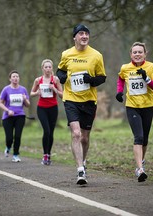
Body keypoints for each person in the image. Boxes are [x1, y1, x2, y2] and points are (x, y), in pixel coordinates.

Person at [56, 24, 106, 185]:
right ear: (75, 37)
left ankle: (83, 161)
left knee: (84, 138)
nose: (84, 36)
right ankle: (79, 169)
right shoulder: (67, 54)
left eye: (86, 34)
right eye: (81, 33)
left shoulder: (96, 55)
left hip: (89, 101)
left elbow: (102, 77)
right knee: (76, 134)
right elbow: (60, 70)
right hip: (71, 99)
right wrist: (62, 77)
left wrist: (90, 80)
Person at [115, 42, 153, 182]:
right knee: (138, 137)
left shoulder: (151, 67)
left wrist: (146, 78)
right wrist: (119, 92)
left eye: (140, 52)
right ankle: (139, 169)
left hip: (148, 106)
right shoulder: (125, 68)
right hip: (132, 106)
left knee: (145, 139)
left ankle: (142, 161)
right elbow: (121, 78)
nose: (137, 54)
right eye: (134, 52)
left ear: (145, 54)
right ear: (131, 54)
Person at [30, 59, 63, 165]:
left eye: (49, 67)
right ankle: (45, 155)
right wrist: (37, 92)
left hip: (53, 108)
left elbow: (62, 95)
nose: (48, 69)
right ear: (42, 68)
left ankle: (49, 154)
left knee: (51, 132)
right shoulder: (38, 80)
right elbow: (31, 93)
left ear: (52, 68)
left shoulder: (56, 79)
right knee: (47, 131)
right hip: (42, 108)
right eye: (46, 67)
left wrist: (54, 89)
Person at [0, 70, 30, 162]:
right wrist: (8, 110)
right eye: (13, 77)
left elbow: (28, 105)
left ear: (19, 78)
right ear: (10, 79)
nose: (15, 78)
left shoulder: (23, 89)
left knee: (18, 136)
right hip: (8, 117)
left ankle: (16, 155)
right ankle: (8, 147)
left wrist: (25, 99)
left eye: (17, 77)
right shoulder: (6, 89)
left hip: (20, 116)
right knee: (9, 138)